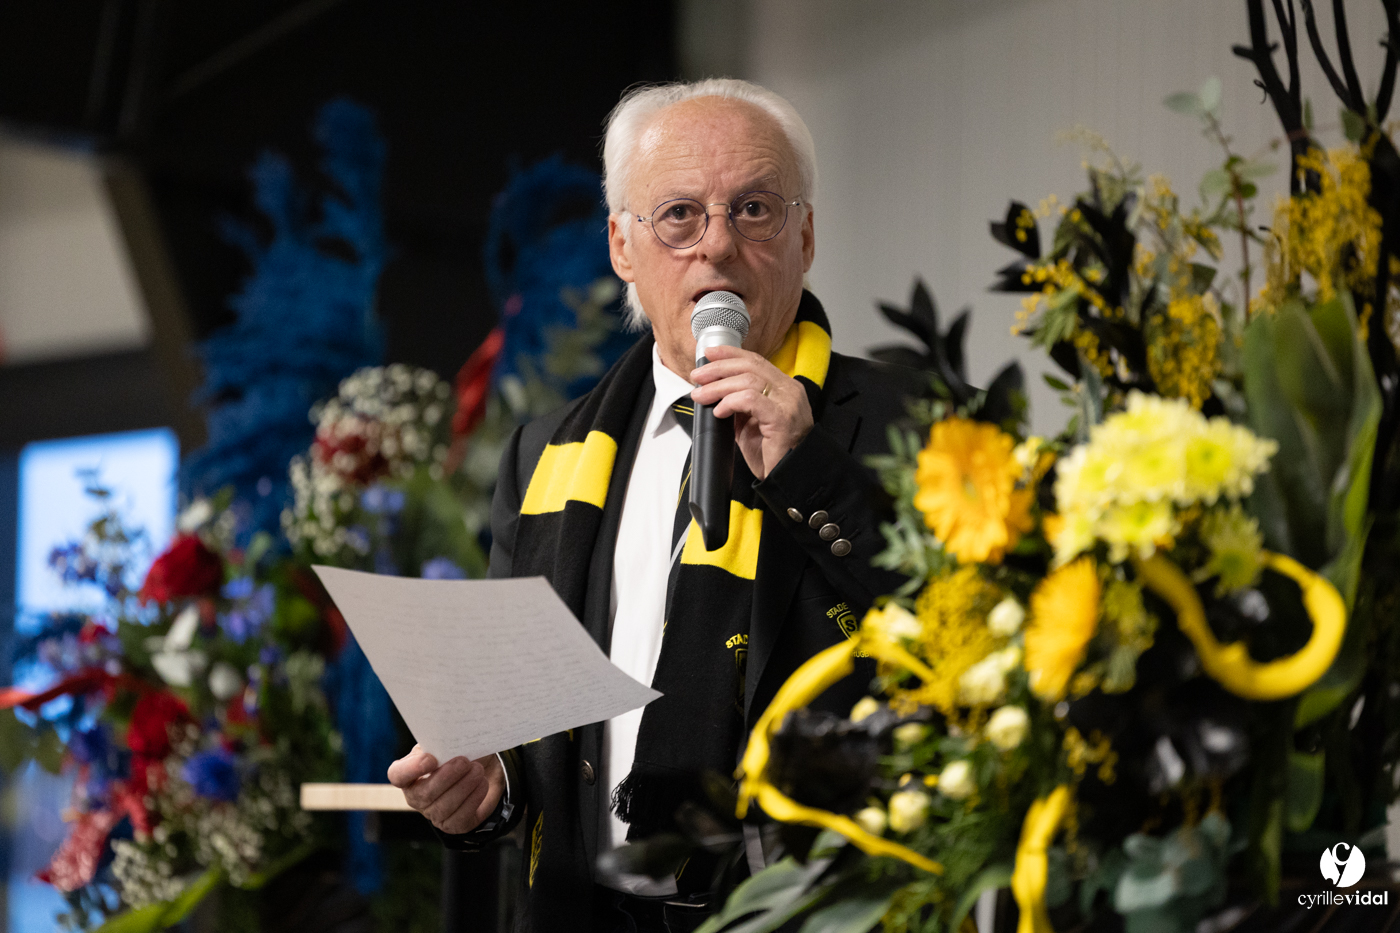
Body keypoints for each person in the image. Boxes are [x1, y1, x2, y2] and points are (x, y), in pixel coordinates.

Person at [388, 78, 918, 932]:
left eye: (753, 209)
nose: (717, 247)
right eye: (679, 215)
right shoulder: (542, 456)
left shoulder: (919, 425)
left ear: (806, 234)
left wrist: (811, 470)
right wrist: (489, 789)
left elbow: (973, 644)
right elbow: (521, 735)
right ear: (621, 246)